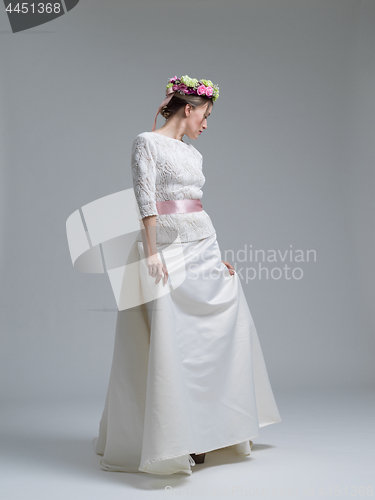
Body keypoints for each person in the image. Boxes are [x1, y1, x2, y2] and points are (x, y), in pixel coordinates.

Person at [93, 75, 282, 476]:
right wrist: (151, 251)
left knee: (214, 337)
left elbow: (197, 205)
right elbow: (145, 197)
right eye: (205, 116)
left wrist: (219, 255)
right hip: (165, 250)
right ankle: (176, 438)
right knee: (173, 343)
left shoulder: (193, 154)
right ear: (189, 108)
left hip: (203, 247)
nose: (206, 125)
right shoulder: (145, 142)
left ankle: (215, 429)